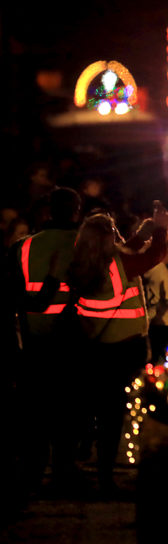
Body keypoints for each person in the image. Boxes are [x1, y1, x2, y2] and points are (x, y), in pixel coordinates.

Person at [70, 203, 168, 492]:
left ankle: (80, 456)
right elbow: (154, 256)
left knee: (92, 406)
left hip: (93, 345)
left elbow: (123, 254)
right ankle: (105, 475)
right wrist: (162, 229)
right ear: (109, 238)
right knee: (113, 414)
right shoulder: (120, 264)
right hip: (123, 348)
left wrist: (143, 233)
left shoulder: (83, 261)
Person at [7, 187, 82, 490]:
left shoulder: (22, 248)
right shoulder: (85, 245)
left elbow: (14, 294)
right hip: (76, 339)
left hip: (33, 339)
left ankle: (32, 472)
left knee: (35, 412)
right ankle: (65, 470)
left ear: (47, 211)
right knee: (69, 410)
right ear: (77, 212)